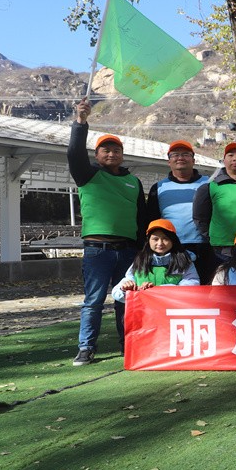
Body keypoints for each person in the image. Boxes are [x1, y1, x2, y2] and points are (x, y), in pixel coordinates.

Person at [67, 98, 146, 365]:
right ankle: (86, 347)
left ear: (122, 154)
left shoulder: (134, 182)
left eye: (116, 150)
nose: (111, 154)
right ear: (97, 154)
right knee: (94, 300)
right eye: (106, 150)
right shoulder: (87, 175)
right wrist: (80, 122)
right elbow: (74, 154)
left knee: (127, 299)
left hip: (128, 251)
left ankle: (129, 345)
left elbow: (141, 218)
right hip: (97, 250)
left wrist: (141, 250)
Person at [145, 140, 215, 283]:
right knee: (175, 289)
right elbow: (151, 219)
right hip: (170, 248)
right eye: (175, 155)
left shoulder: (209, 184)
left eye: (185, 154)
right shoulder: (159, 187)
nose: (180, 158)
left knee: (206, 288)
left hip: (205, 247)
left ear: (193, 160)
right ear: (169, 161)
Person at [112, 219, 200, 303]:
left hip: (172, 310)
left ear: (173, 240)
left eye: (165, 238)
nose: (160, 243)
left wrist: (157, 290)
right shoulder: (140, 260)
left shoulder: (184, 261)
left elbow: (192, 284)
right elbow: (118, 291)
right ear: (148, 241)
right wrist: (125, 289)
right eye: (155, 239)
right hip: (143, 311)